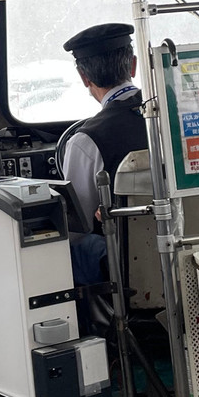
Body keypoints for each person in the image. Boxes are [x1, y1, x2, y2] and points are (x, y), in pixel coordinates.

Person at [60, 23, 148, 286]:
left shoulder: (85, 141)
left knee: (72, 248)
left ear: (84, 77)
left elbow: (80, 224)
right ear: (132, 66)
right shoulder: (177, 116)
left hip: (131, 270)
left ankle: (92, 326)